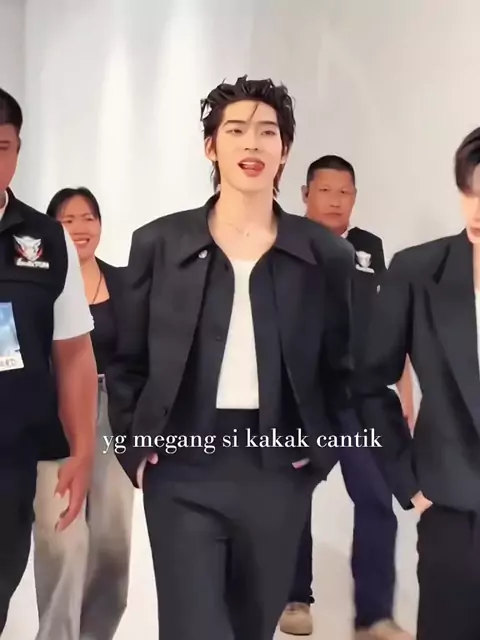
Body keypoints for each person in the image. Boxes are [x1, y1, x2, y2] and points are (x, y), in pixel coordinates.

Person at [106, 76, 355, 640]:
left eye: (267, 132)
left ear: (284, 151)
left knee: (251, 628)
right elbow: (127, 360)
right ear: (210, 147)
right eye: (236, 130)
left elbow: (342, 369)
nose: (252, 143)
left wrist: (320, 455)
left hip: (278, 470)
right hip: (180, 467)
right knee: (194, 628)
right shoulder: (159, 244)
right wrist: (136, 451)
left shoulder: (325, 255)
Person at [279, 155, 414, 639]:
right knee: (294, 496)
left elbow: (390, 323)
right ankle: (295, 596)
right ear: (305, 194)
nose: (336, 201)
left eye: (345, 192)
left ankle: (373, 616)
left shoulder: (368, 247)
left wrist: (404, 388)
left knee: (376, 497)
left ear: (355, 197)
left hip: (359, 399)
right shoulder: (286, 242)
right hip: (302, 399)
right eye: (326, 190)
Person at [355, 127, 480, 640]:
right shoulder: (418, 270)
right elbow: (369, 383)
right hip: (451, 508)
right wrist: (410, 482)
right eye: (470, 190)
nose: (477, 207)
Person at [0, 88, 97, 634]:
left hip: (12, 456)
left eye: (1, 147)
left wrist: (83, 449)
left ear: (17, 150)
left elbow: (74, 351)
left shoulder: (46, 240)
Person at [32, 187, 134, 640]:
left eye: (88, 217)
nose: (80, 228)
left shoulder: (125, 283)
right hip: (56, 412)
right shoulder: (38, 282)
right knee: (63, 537)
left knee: (113, 539)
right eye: (67, 220)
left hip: (115, 417)